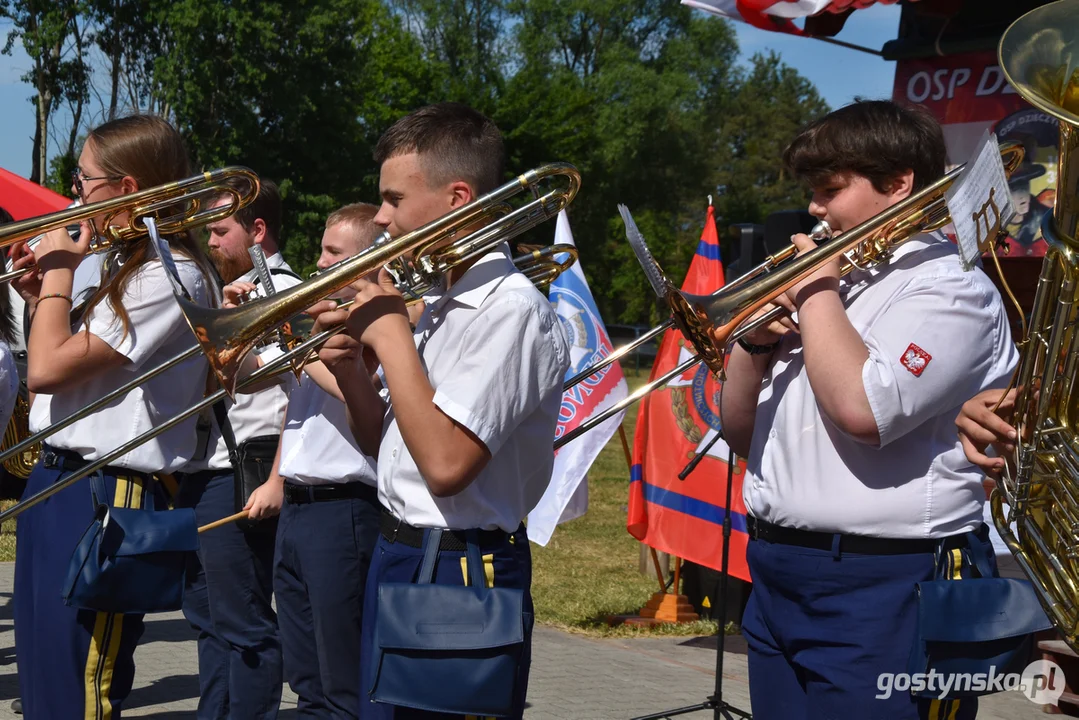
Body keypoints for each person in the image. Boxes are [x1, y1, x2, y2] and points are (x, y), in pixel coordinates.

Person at [717, 100, 1018, 719]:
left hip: (889, 584)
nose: (814, 209)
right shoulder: (836, 283)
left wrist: (814, 290)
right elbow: (741, 432)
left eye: (829, 189)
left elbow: (862, 411)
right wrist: (753, 341)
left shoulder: (950, 288)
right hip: (778, 570)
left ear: (899, 183)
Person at [310, 102, 570, 719]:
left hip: (461, 568)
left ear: (457, 198)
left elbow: (447, 464)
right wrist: (351, 370)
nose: (381, 217)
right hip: (400, 550)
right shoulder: (443, 303)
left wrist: (393, 336)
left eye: (394, 200)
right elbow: (392, 450)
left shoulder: (511, 310)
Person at [11, 114, 217, 719]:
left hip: (107, 492)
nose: (74, 194)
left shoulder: (167, 274)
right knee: (45, 676)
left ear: (126, 189)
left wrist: (56, 276)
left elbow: (45, 369)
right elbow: (62, 367)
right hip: (59, 478)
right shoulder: (117, 264)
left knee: (82, 689)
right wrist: (39, 296)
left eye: (83, 180)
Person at [243, 203, 383, 717]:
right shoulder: (316, 324)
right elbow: (250, 384)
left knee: (342, 676)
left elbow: (369, 404)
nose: (320, 264)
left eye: (333, 253)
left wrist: (299, 345)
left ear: (370, 262)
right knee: (305, 677)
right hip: (300, 506)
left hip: (345, 508)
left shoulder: (383, 328)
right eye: (322, 250)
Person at [173, 176, 300, 719]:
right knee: (208, 616)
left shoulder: (288, 293)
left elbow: (302, 395)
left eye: (221, 231)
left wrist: (278, 478)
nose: (211, 242)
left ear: (258, 230)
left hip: (247, 469)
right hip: (212, 466)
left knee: (244, 621)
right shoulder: (236, 294)